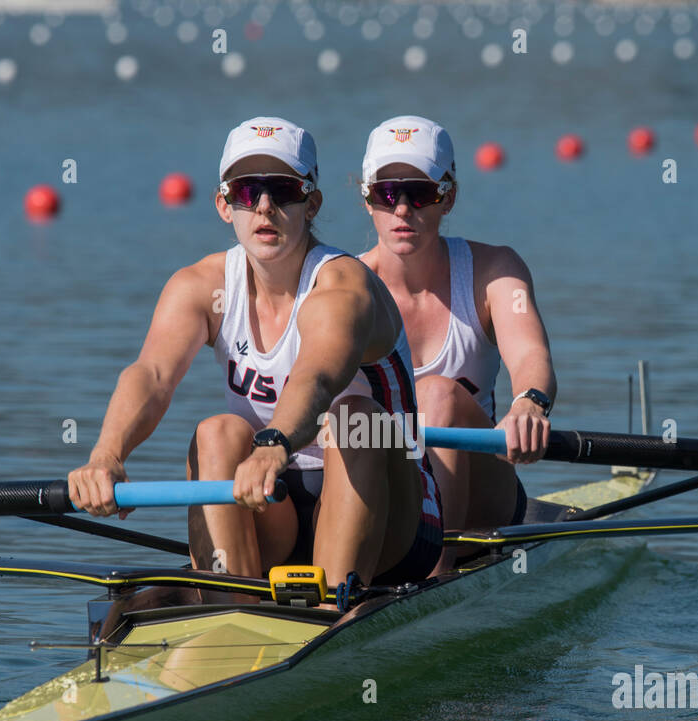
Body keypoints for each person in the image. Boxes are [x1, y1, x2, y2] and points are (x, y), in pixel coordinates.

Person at [68, 117, 442, 592]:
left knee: (353, 417)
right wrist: (107, 455)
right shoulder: (200, 286)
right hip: (270, 497)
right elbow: (153, 374)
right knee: (217, 431)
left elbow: (318, 378)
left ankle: (332, 608)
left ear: (312, 204)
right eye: (247, 191)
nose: (265, 206)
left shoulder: (342, 285)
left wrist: (275, 443)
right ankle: (232, 601)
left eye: (283, 190)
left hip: (394, 518)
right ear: (224, 205)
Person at [358, 116, 556, 573]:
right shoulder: (343, 285)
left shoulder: (495, 271)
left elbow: (530, 354)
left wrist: (529, 403)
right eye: (387, 194)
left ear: (448, 197)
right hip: (387, 484)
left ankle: (437, 571)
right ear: (368, 199)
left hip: (482, 501)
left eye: (421, 192)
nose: (402, 210)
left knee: (437, 394)